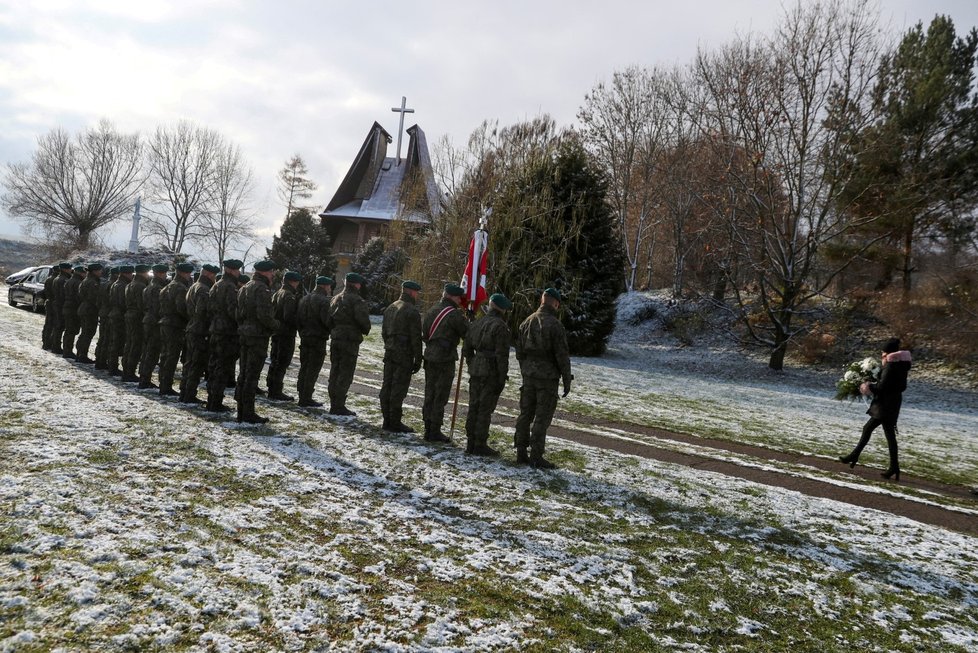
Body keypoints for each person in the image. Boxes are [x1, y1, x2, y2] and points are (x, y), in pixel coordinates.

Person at [514, 288, 572, 469]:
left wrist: (526, 369)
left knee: (525, 414)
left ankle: (521, 451)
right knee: (542, 417)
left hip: (529, 376)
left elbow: (519, 351)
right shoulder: (555, 325)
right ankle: (536, 456)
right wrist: (566, 380)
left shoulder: (526, 322)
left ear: (542, 300)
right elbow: (562, 355)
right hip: (547, 378)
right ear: (555, 303)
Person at [839, 337, 912, 481]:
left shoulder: (891, 366)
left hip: (886, 405)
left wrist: (868, 387)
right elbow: (895, 385)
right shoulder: (901, 364)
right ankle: (893, 467)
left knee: (870, 429)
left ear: (888, 353)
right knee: (887, 435)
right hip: (892, 403)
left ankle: (855, 456)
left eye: (883, 353)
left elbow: (882, 387)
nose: (881, 356)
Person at [462, 293, 513, 456]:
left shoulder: (477, 323)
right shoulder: (500, 327)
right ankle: (480, 444)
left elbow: (466, 349)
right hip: (490, 371)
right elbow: (502, 356)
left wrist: (473, 363)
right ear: (503, 309)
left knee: (473, 406)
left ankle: (470, 441)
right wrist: (501, 377)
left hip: (476, 368)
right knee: (485, 408)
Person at [420, 283, 469, 442]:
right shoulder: (454, 314)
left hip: (430, 356)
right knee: (440, 395)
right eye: (458, 297)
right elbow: (467, 333)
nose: (460, 300)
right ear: (451, 296)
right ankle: (434, 430)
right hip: (445, 358)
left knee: (430, 392)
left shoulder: (432, 310)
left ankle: (428, 427)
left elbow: (425, 334)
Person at [236, 260, 280, 423]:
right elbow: (264, 315)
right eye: (271, 272)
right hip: (257, 336)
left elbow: (238, 312)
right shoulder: (262, 289)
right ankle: (248, 413)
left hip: (245, 333)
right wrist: (276, 326)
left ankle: (242, 411)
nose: (273, 274)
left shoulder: (246, 287)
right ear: (265, 272)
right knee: (252, 375)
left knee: (244, 373)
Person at [380, 280, 423, 433]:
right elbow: (416, 338)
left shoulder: (391, 307)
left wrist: (391, 344)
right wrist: (418, 359)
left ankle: (387, 419)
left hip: (390, 350)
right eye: (416, 292)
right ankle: (395, 422)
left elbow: (384, 333)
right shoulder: (411, 311)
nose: (417, 295)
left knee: (387, 385)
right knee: (398, 388)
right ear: (411, 292)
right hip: (403, 354)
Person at [327, 272, 371, 416]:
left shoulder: (335, 298)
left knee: (335, 370)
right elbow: (363, 322)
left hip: (336, 338)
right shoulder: (357, 300)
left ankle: (334, 402)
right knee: (345, 373)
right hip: (350, 340)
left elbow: (329, 319)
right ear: (356, 284)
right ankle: (338, 405)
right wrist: (365, 329)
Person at [205, 259, 244, 412]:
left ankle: (212, 400)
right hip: (226, 332)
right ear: (232, 271)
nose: (239, 273)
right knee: (221, 368)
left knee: (214, 366)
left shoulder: (216, 285)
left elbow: (210, 308)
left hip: (215, 329)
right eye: (237, 270)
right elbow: (233, 311)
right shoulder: (229, 287)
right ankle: (215, 403)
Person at [179, 263, 219, 404]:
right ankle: (189, 394)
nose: (215, 278)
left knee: (189, 363)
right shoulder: (203, 289)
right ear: (208, 274)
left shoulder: (194, 286)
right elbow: (203, 312)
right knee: (196, 364)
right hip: (200, 331)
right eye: (213, 275)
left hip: (192, 328)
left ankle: (184, 392)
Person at [295, 276, 334, 407]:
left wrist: (302, 332)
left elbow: (298, 320)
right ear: (325, 286)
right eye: (329, 286)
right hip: (317, 338)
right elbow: (327, 321)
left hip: (305, 337)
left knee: (304, 366)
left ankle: (302, 394)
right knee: (313, 368)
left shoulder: (304, 299)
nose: (330, 289)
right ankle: (306, 397)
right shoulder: (324, 301)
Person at [157, 262, 194, 396]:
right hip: (175, 325)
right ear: (184, 273)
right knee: (171, 356)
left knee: (165, 355)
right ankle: (166, 386)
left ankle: (163, 384)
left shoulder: (167, 286)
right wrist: (190, 318)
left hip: (165, 323)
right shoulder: (180, 288)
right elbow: (181, 308)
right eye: (189, 273)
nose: (189, 276)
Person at [266, 270, 303, 401]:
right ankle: (276, 390)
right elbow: (289, 316)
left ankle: (271, 387)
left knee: (275, 361)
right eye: (297, 281)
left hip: (277, 332)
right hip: (286, 333)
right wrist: (299, 321)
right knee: (282, 362)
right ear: (293, 282)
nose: (298, 284)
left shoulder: (278, 293)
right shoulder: (289, 296)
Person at [138, 264, 169, 389]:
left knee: (147, 350)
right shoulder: (157, 288)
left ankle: (143, 378)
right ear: (160, 273)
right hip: (154, 321)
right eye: (165, 273)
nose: (166, 275)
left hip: (148, 319)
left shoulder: (148, 287)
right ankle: (145, 380)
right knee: (152, 351)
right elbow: (159, 308)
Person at [121, 264, 150, 382]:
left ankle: (126, 370)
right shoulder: (140, 286)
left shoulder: (130, 284)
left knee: (130, 343)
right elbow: (141, 304)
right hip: (137, 317)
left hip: (129, 315)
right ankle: (130, 372)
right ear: (143, 273)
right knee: (135, 345)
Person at [107, 265, 133, 376]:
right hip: (120, 315)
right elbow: (124, 302)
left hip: (114, 313)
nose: (132, 275)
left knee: (114, 341)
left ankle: (112, 366)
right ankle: (113, 367)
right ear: (126, 274)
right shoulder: (123, 285)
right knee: (118, 342)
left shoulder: (115, 284)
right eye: (130, 273)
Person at [75, 263, 103, 364]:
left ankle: (80, 353)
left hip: (85, 308)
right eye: (99, 270)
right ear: (95, 271)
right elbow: (94, 298)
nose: (101, 272)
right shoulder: (92, 282)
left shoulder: (86, 280)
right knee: (88, 333)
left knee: (85, 333)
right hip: (89, 310)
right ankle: (82, 354)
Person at [94, 266, 118, 370]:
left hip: (103, 312)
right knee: (109, 339)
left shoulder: (104, 284)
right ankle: (105, 362)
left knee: (103, 338)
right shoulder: (113, 285)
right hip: (109, 313)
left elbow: (98, 300)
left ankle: (100, 360)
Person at [61, 264, 87, 358]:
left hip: (68, 306)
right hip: (73, 308)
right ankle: (68, 351)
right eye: (84, 273)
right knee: (71, 330)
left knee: (69, 330)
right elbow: (79, 297)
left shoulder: (69, 281)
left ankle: (66, 350)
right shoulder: (78, 282)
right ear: (80, 273)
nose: (85, 274)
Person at [49, 262, 72, 355]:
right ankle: (56, 347)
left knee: (58, 326)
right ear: (65, 269)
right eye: (69, 269)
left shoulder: (58, 278)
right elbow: (64, 294)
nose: (71, 270)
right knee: (60, 326)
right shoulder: (63, 280)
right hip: (61, 304)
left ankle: (55, 346)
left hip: (57, 304)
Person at [40, 264, 59, 351]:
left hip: (49, 302)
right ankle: (48, 343)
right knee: (52, 324)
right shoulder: (54, 280)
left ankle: (46, 343)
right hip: (53, 303)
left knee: (48, 324)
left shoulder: (49, 279)